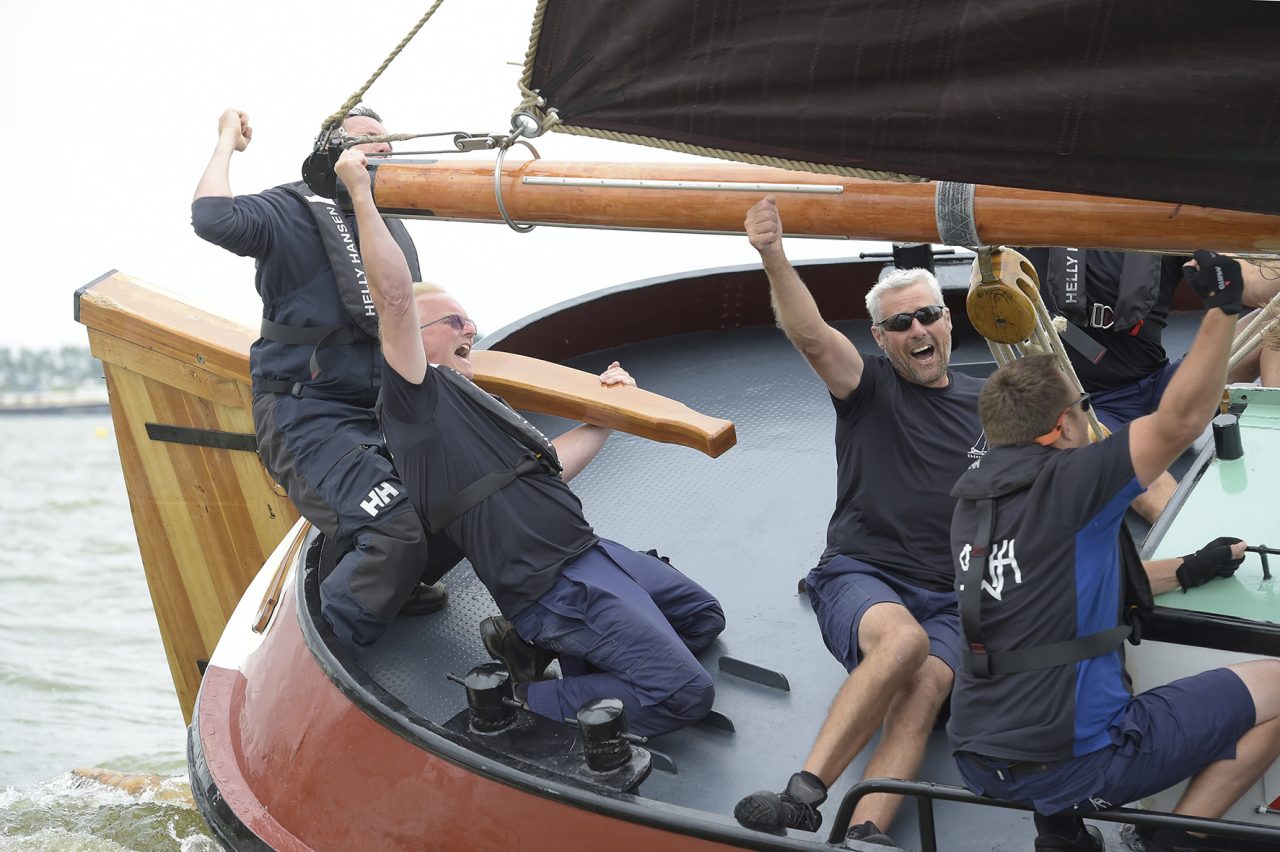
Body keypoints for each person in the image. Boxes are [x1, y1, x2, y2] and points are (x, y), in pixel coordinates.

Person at [333, 149, 726, 738]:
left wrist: (605, 418)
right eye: (453, 322)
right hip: (552, 585)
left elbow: (545, 473)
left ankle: (540, 650)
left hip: (595, 554)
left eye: (470, 321)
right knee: (683, 693)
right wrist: (362, 195)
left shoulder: (479, 407)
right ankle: (528, 700)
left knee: (702, 617)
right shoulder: (416, 401)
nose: (471, 329)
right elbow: (392, 299)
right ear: (413, 339)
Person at [947, 252, 1280, 852]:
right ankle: (1169, 837)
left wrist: (1193, 567)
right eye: (1081, 411)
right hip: (1079, 762)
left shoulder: (972, 505)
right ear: (1062, 427)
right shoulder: (1075, 485)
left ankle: (1060, 828)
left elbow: (1066, 592)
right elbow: (1179, 418)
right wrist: (1224, 305)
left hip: (977, 760)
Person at [730, 197, 987, 845]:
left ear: (948, 321)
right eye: (900, 324)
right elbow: (813, 336)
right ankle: (802, 795)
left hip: (954, 597)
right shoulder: (869, 386)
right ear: (881, 338)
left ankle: (864, 834)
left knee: (924, 689)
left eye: (929, 315)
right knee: (904, 645)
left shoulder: (989, 400)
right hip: (867, 574)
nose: (918, 330)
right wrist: (772, 256)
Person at [192, 107, 447, 655]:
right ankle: (330, 646)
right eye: (368, 140)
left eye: (389, 141)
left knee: (462, 500)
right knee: (395, 531)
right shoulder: (287, 210)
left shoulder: (389, 226)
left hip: (382, 410)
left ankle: (389, 583)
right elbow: (211, 217)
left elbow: (409, 317)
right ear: (332, 151)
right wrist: (225, 144)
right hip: (307, 415)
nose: (384, 148)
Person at [1025, 248, 1278, 522]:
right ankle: (1211, 540)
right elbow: (987, 263)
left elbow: (1257, 286)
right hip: (1093, 411)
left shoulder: (1161, 223)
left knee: (1276, 319)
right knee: (1153, 489)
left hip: (1164, 388)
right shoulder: (1038, 226)